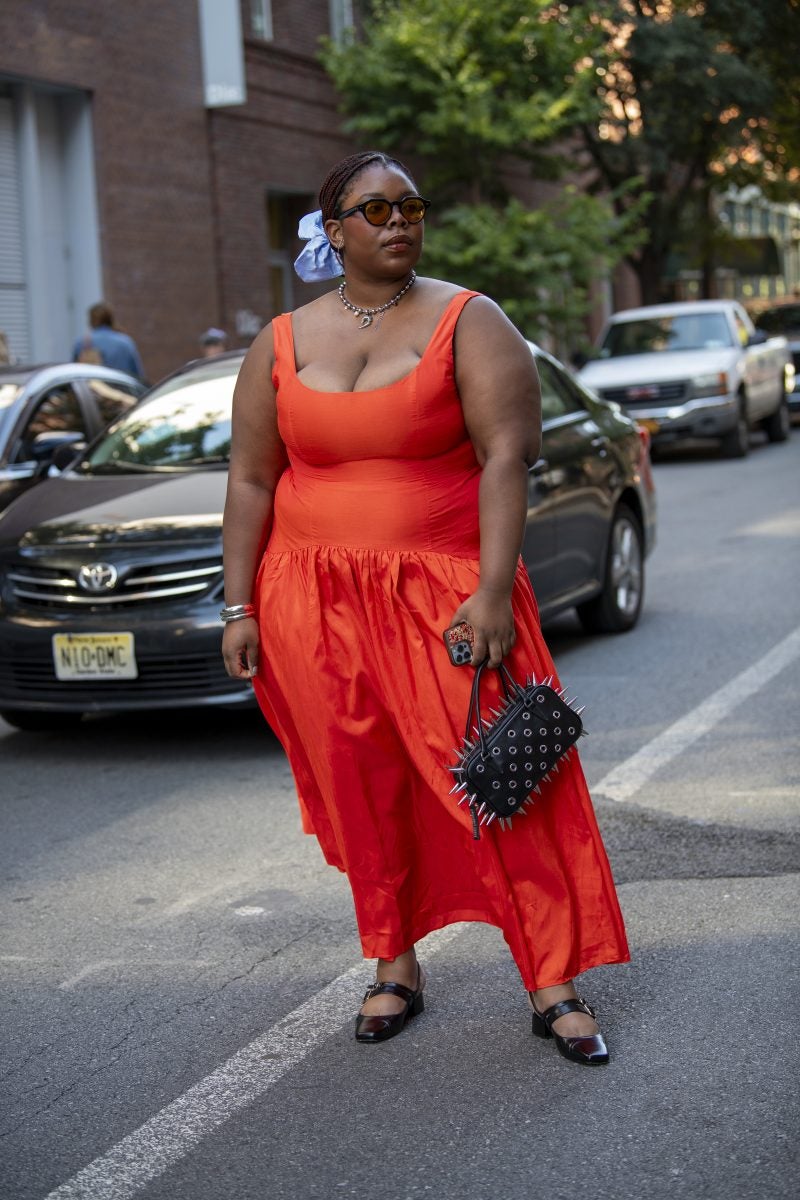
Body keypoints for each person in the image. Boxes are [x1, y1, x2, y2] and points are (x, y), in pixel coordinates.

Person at [221, 151, 629, 1063]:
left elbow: (505, 459)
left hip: (444, 597)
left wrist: (490, 592)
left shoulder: (469, 320)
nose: (400, 221)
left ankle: (554, 979)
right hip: (312, 604)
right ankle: (392, 961)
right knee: (361, 784)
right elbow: (251, 478)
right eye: (377, 209)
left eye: (412, 206)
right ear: (334, 231)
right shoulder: (280, 342)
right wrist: (238, 605)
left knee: (498, 783)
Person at [72, 302, 144, 380]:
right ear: (111, 320)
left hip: (90, 390)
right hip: (121, 389)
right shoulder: (125, 342)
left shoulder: (81, 343)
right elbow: (138, 375)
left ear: (91, 321)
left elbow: (73, 375)